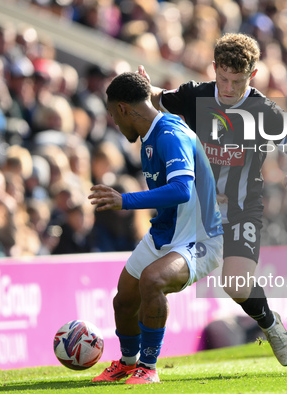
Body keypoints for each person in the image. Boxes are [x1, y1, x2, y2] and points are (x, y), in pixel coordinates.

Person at [139, 33, 287, 367]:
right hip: (195, 209)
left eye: (237, 81)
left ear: (251, 75)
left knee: (236, 285)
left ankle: (270, 324)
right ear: (214, 69)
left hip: (241, 210)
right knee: (155, 278)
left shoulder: (263, 111)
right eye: (223, 79)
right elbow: (155, 97)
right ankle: (136, 359)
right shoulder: (195, 95)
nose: (229, 88)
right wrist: (141, 84)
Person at [88, 72, 223, 384]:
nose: (114, 123)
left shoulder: (168, 134)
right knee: (123, 299)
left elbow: (181, 190)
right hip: (165, 231)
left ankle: (148, 368)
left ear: (122, 109)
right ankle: (127, 362)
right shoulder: (151, 132)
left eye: (112, 115)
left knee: (153, 280)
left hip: (202, 236)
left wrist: (125, 200)